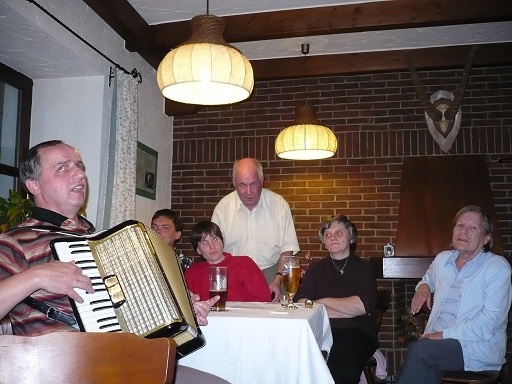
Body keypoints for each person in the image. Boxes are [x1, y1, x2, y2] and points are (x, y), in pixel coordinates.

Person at [0, 140, 228, 384]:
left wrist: (182, 309)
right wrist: (35, 276)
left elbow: (131, 308)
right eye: (62, 168)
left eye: (78, 165)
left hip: (126, 361)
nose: (79, 174)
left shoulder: (100, 242)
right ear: (33, 184)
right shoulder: (16, 241)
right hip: (60, 371)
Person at [396, 205, 512, 384]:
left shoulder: (497, 268)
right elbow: (428, 278)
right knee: (421, 354)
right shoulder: (443, 259)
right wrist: (424, 287)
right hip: (437, 344)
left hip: (475, 347)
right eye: (460, 226)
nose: (464, 231)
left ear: (486, 238)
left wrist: (443, 335)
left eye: (472, 228)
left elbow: (489, 322)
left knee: (421, 351)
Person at [294, 214, 378, 384]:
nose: (332, 237)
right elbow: (301, 302)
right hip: (320, 331)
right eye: (328, 234)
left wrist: (322, 301)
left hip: (357, 331)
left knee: (340, 366)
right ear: (324, 241)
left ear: (351, 238)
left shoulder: (365, 268)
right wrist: (346, 309)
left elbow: (363, 306)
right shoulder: (315, 269)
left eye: (339, 233)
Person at [211, 158, 300, 300]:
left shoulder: (279, 205)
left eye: (254, 184)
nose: (248, 192)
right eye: (242, 185)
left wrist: (277, 281)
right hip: (235, 276)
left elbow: (287, 250)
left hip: (272, 274)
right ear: (234, 183)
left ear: (262, 181)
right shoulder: (223, 208)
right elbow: (213, 251)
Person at [184, 221, 271, 302]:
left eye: (215, 239)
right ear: (198, 250)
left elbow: (263, 300)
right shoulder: (192, 272)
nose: (212, 246)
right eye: (205, 243)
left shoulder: (244, 264)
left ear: (222, 242)